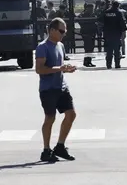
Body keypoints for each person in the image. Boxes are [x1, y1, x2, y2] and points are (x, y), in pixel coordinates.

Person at [35, 18, 77, 162]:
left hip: (61, 87)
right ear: (52, 30)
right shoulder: (42, 47)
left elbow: (60, 65)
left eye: (65, 31)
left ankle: (60, 146)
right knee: (50, 118)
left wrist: (67, 69)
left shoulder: (60, 45)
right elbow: (39, 69)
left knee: (71, 114)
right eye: (61, 31)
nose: (63, 34)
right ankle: (46, 150)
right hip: (48, 89)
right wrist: (59, 68)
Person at [99, 0, 127, 69]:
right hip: (116, 34)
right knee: (117, 50)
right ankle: (117, 64)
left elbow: (100, 21)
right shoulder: (119, 13)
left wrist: (102, 31)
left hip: (108, 34)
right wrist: (124, 33)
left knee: (109, 50)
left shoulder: (106, 12)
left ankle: (108, 65)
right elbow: (122, 24)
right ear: (118, 6)